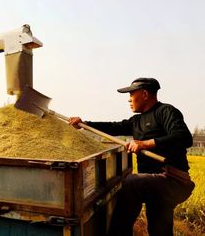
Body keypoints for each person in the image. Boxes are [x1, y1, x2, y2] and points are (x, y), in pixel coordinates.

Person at [69, 77, 195, 236]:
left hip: (172, 180)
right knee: (159, 228)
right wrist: (84, 124)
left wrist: (145, 143)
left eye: (131, 94)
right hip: (153, 183)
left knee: (130, 184)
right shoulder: (137, 121)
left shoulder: (166, 111)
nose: (129, 99)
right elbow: (113, 127)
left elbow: (184, 137)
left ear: (144, 94)